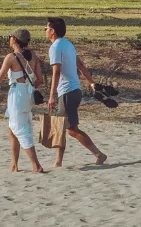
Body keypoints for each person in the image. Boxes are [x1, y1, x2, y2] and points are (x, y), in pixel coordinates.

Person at [0, 30, 46, 174]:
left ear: (15, 40)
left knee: (20, 129)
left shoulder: (11, 57)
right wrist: (29, 88)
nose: (9, 39)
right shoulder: (34, 56)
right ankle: (14, 165)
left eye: (11, 37)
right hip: (28, 94)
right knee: (12, 130)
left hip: (17, 94)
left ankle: (36, 165)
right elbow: (40, 80)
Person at [46, 17, 107, 167]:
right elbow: (80, 64)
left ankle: (98, 154)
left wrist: (52, 95)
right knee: (63, 127)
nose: (45, 31)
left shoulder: (55, 47)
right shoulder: (68, 44)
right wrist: (91, 82)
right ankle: (58, 161)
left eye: (46, 28)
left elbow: (56, 72)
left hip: (66, 92)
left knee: (71, 130)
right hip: (75, 91)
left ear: (52, 31)